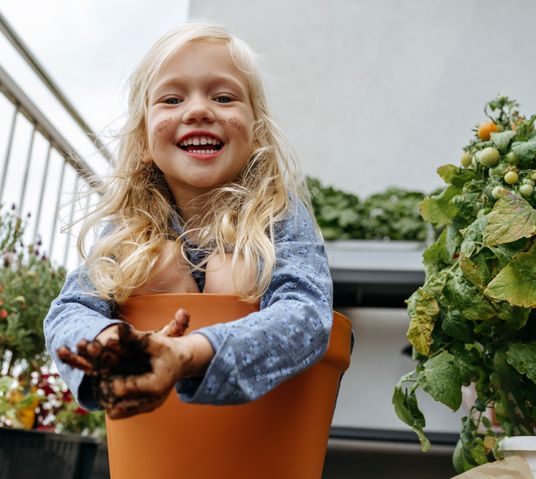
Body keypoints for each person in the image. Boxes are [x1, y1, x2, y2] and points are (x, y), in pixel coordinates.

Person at [45, 23, 333, 420]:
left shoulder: (279, 215)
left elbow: (307, 316)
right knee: (152, 264)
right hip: (158, 439)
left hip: (261, 436)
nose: (198, 110)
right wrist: (116, 344)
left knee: (235, 270)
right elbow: (68, 309)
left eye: (224, 96)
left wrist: (185, 353)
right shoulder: (128, 228)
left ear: (257, 134)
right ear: (144, 140)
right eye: (172, 98)